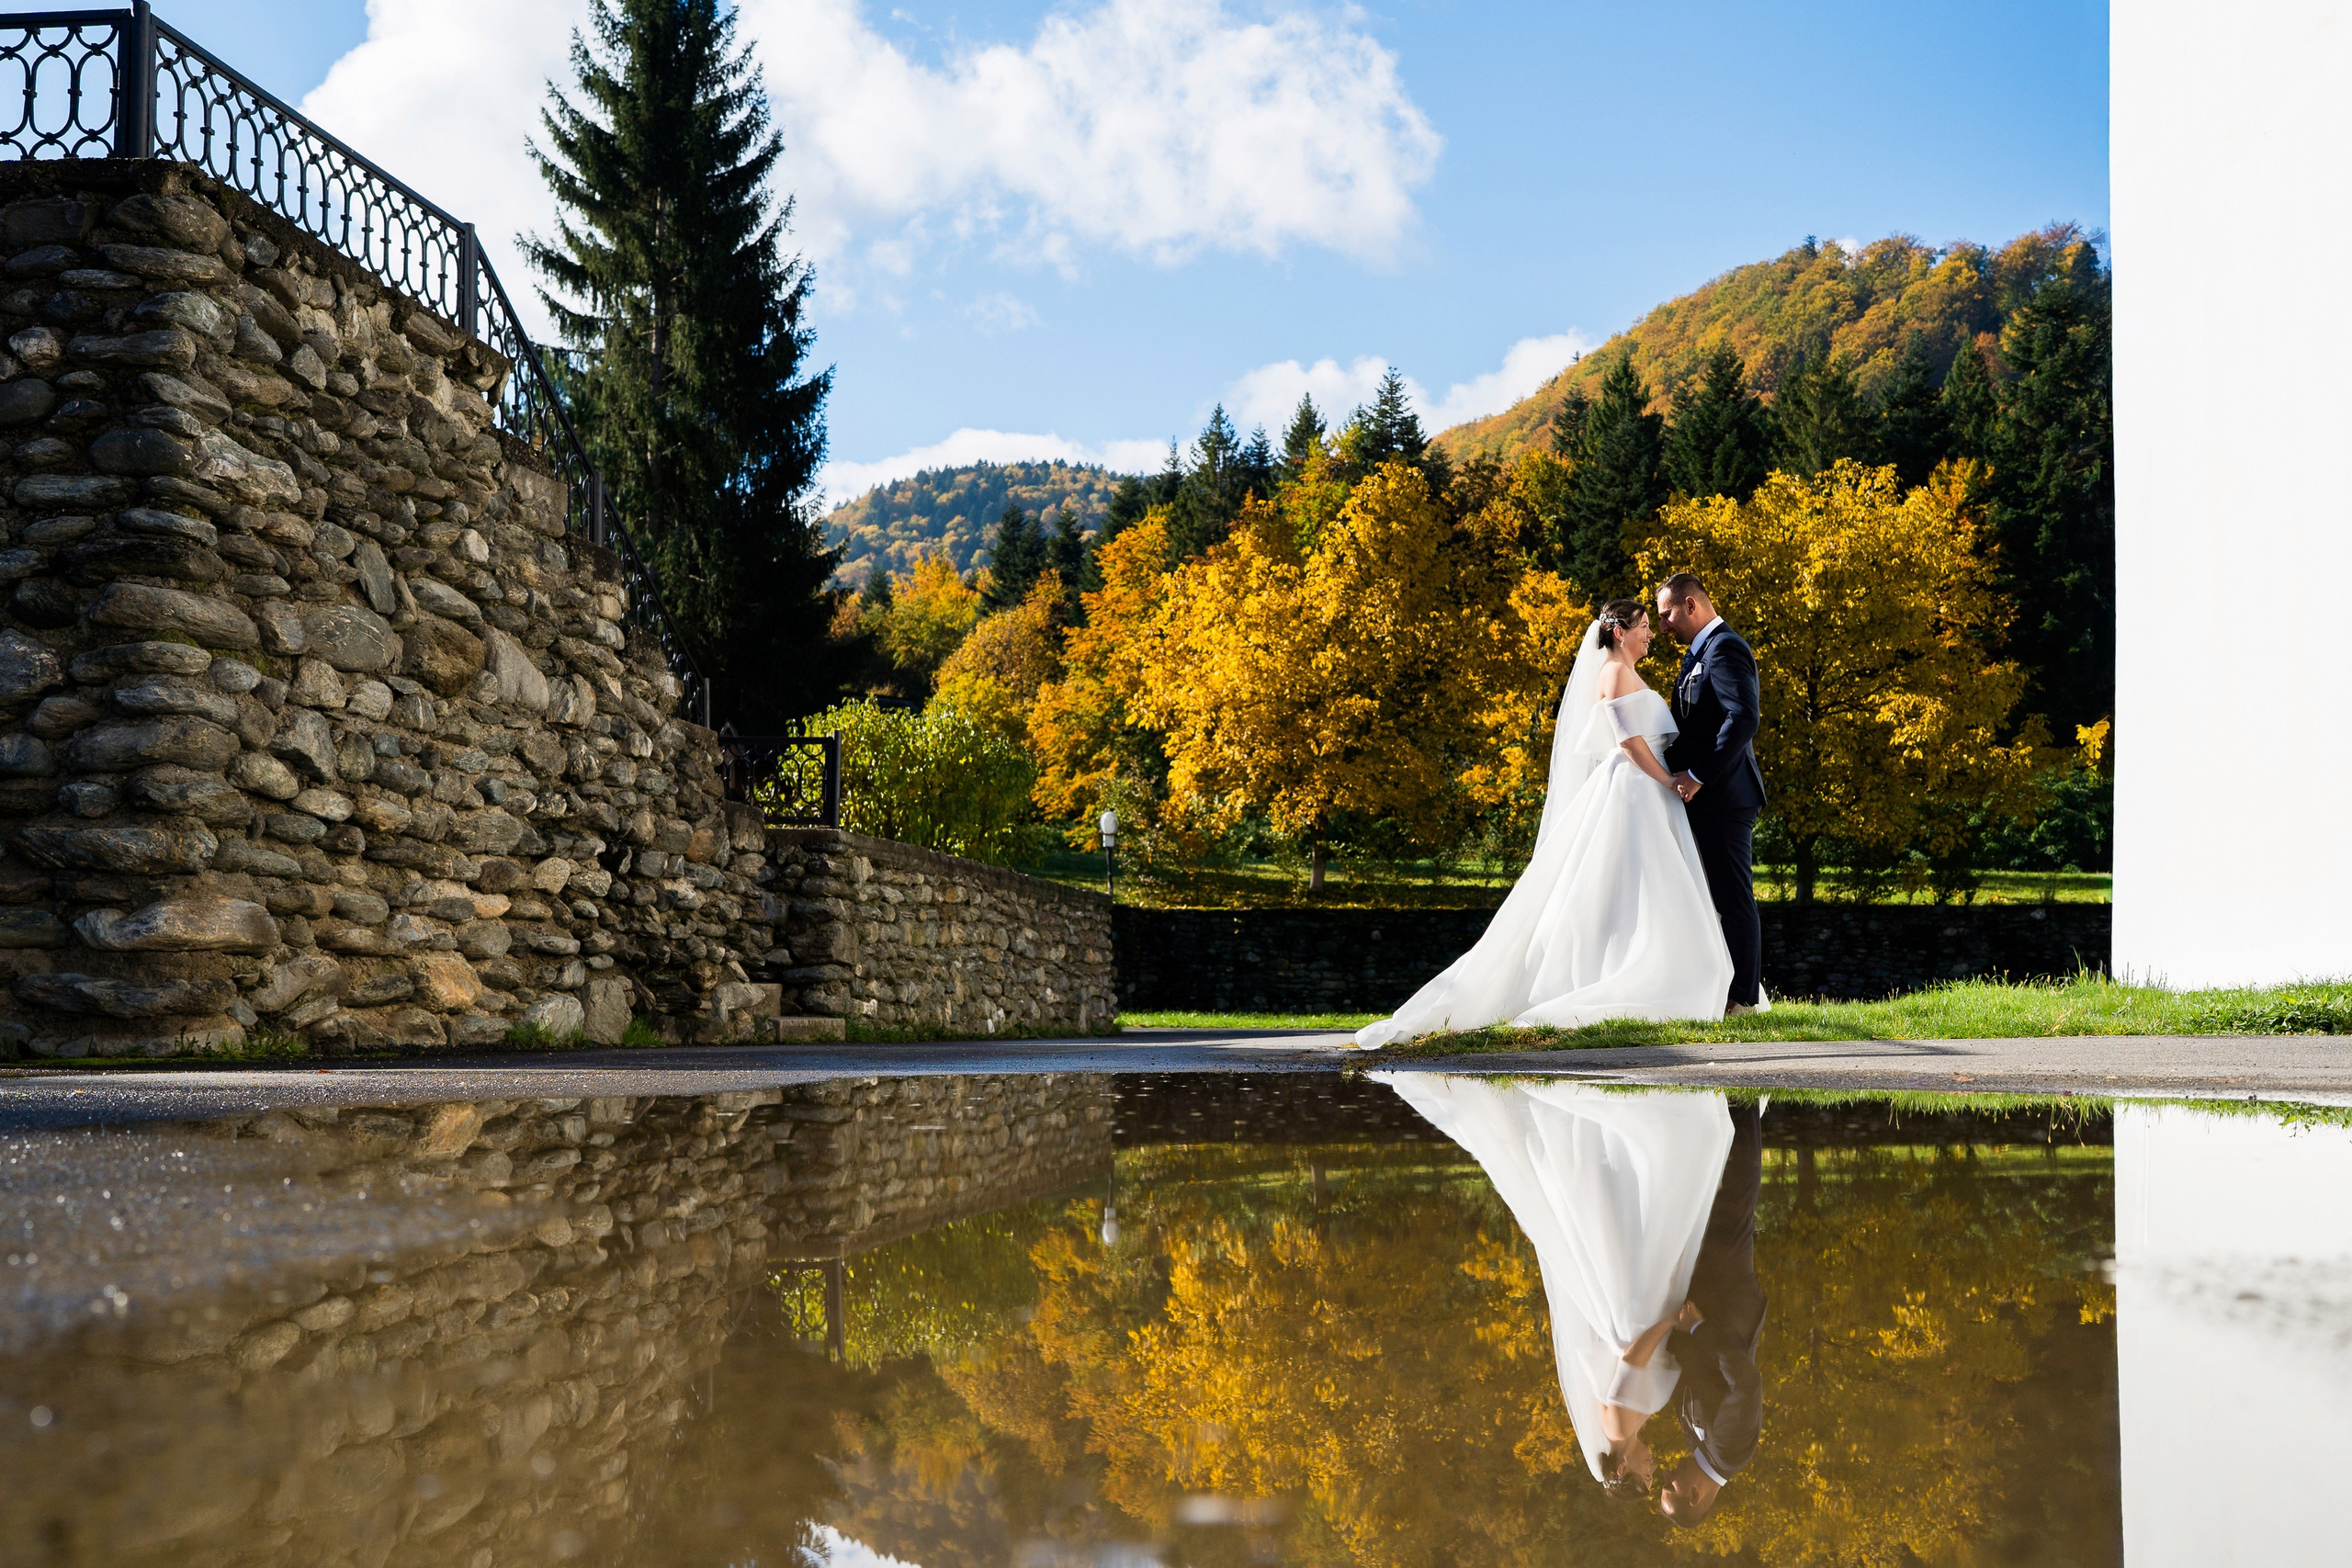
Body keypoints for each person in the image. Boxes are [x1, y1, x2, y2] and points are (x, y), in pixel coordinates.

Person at [1352, 594, 1736, 1049]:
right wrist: (1668, 780)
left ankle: (1671, 969)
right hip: (1635, 787)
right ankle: (1622, 974)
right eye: (1643, 626)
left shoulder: (1629, 672)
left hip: (1648, 790)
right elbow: (1627, 740)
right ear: (1620, 632)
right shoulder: (1612, 672)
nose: (1651, 633)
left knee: (1654, 886)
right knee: (1634, 885)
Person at [1370, 1075, 1735, 1489]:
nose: (1653, 1470)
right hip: (1645, 1314)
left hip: (1642, 1315)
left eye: (1644, 1476)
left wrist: (1671, 1322)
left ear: (1622, 1468)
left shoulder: (1617, 1425)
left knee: (1659, 1209)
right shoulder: (1633, 1427)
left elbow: (1632, 1360)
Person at [1657, 573, 1767, 1013]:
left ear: (1690, 605)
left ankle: (1743, 999)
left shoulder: (1726, 648)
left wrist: (1698, 774)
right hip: (1704, 796)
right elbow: (1696, 725)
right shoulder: (1696, 654)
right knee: (1707, 896)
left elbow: (1743, 718)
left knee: (1732, 896)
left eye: (1666, 615)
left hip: (1726, 796)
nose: (1663, 626)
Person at [1657, 1099, 1767, 1526]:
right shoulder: (1730, 1454)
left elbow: (1695, 1374)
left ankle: (1713, 1106)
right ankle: (1745, 1102)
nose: (1667, 1475)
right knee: (1736, 1203)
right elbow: (1746, 1384)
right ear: (1695, 1496)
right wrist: (1699, 1327)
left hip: (1708, 1300)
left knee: (1708, 1207)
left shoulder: (1700, 1447)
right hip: (1729, 1301)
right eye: (1672, 1487)